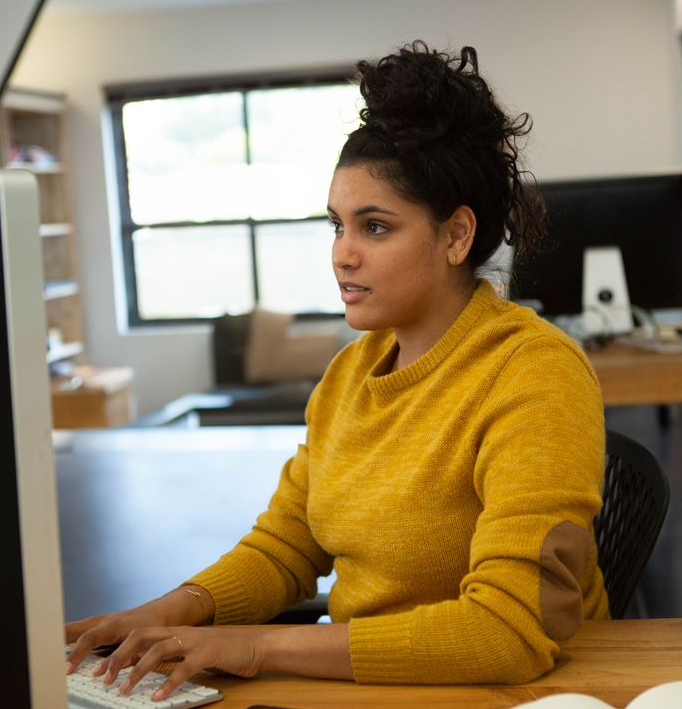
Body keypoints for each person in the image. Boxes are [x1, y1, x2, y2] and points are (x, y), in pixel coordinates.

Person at [65, 41, 608, 699]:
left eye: (375, 228)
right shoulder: (352, 373)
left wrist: (258, 645)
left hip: (496, 692)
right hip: (367, 685)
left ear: (457, 236)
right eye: (336, 225)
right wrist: (170, 611)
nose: (342, 256)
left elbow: (504, 631)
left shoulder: (534, 372)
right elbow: (286, 546)